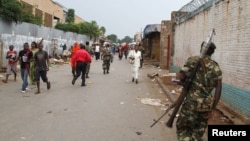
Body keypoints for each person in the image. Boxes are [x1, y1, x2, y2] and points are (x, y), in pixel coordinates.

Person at [175, 42, 222, 141]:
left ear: (201, 49)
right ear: (212, 52)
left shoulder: (192, 60)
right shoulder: (216, 67)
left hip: (191, 104)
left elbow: (180, 77)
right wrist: (213, 108)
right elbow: (218, 90)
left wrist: (183, 79)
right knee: (197, 132)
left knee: (183, 129)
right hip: (205, 107)